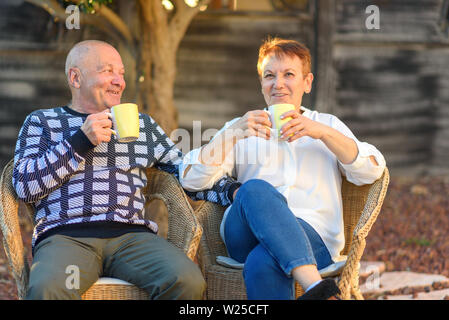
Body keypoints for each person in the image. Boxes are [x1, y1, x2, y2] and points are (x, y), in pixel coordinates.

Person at [12, 40, 239, 300]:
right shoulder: (42, 121)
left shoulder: (142, 126)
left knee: (186, 281)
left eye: (121, 73)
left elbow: (186, 172)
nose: (119, 81)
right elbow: (24, 186)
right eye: (108, 71)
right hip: (67, 235)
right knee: (46, 290)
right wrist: (80, 141)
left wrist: (232, 191)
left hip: (132, 238)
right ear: (75, 77)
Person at [179, 37, 386, 300]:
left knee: (262, 262)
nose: (278, 84)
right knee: (254, 189)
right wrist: (231, 134)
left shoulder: (326, 124)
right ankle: (316, 288)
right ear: (262, 84)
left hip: (314, 238)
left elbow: (371, 170)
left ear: (307, 82)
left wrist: (322, 133)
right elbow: (191, 180)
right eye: (269, 76)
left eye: (289, 74)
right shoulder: (243, 127)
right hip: (245, 234)